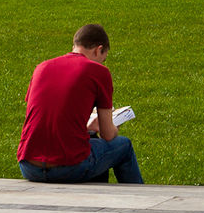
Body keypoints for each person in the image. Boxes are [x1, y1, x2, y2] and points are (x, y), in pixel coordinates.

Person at [17, 23, 143, 184]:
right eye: (103, 59)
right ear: (98, 49)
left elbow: (48, 114)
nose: (102, 64)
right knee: (123, 146)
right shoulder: (99, 72)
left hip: (29, 166)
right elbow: (108, 134)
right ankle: (139, 200)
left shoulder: (42, 67)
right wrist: (114, 125)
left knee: (91, 141)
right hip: (68, 167)